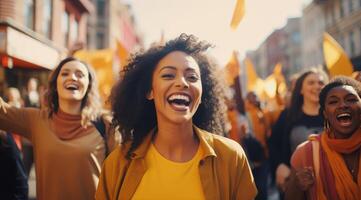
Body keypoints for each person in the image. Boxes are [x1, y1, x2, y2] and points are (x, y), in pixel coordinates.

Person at [96, 34, 257, 200]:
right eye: (168, 75)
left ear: (203, 94)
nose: (182, 83)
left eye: (192, 77)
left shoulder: (231, 157)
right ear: (149, 91)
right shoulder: (118, 164)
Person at [0, 57, 120, 200]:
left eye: (80, 74)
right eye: (65, 74)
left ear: (88, 85)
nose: (72, 77)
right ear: (55, 84)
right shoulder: (36, 120)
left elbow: (122, 176)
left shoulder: (106, 124)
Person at [285, 76, 361, 200]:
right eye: (333, 101)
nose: (343, 105)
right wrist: (297, 185)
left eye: (351, 99)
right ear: (325, 113)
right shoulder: (305, 154)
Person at [268, 68, 328, 193]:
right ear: (301, 89)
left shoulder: (331, 115)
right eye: (311, 83)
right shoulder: (287, 115)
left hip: (327, 181)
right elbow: (273, 143)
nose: (317, 86)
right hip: (296, 184)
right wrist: (279, 165)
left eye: (321, 83)